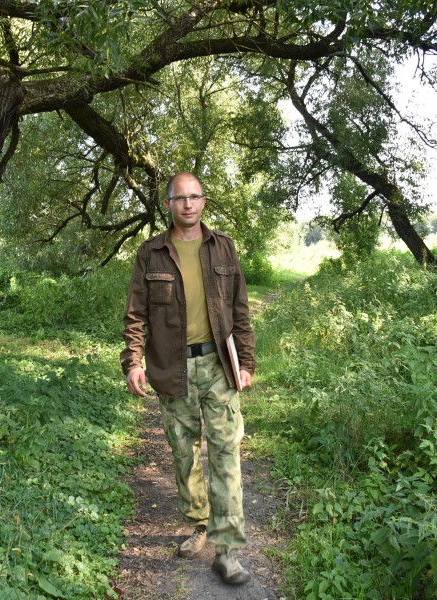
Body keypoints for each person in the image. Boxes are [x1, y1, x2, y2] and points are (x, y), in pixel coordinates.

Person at [120, 172, 255, 585]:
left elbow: (240, 309)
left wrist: (246, 362)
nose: (189, 204)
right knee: (184, 454)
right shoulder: (151, 253)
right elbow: (136, 314)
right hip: (172, 367)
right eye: (180, 198)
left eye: (195, 196)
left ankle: (227, 551)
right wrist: (133, 361)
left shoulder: (223, 247)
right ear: (168, 204)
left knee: (226, 454)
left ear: (203, 201)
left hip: (218, 365)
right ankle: (200, 524)